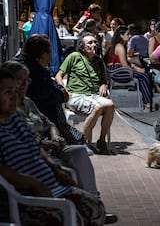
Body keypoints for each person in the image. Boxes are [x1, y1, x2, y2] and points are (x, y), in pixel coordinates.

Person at [0, 69, 107, 225]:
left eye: (15, 91)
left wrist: (55, 168)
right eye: (7, 92)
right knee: (74, 215)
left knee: (94, 207)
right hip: (28, 198)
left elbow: (35, 146)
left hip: (51, 184)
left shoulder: (15, 118)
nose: (15, 95)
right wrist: (34, 184)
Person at [19, 34, 86, 146]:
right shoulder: (34, 74)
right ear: (43, 54)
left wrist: (60, 90)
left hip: (51, 123)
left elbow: (53, 84)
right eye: (50, 52)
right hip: (49, 120)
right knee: (77, 146)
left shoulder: (41, 69)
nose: (51, 56)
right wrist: (61, 95)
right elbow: (48, 95)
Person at [55, 33, 115, 155]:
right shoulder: (74, 56)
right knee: (97, 106)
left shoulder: (99, 61)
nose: (94, 45)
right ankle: (82, 141)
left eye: (95, 42)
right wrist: (64, 90)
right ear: (82, 47)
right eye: (90, 43)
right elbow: (58, 76)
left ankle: (101, 141)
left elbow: (104, 81)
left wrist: (104, 85)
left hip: (93, 95)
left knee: (110, 104)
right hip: (76, 96)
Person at [104, 26, 152, 111]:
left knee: (143, 76)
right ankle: (147, 103)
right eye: (127, 34)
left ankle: (147, 102)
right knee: (144, 77)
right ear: (121, 35)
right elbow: (125, 65)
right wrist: (136, 70)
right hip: (117, 71)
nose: (129, 36)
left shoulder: (118, 46)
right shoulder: (120, 47)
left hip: (117, 70)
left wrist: (137, 69)